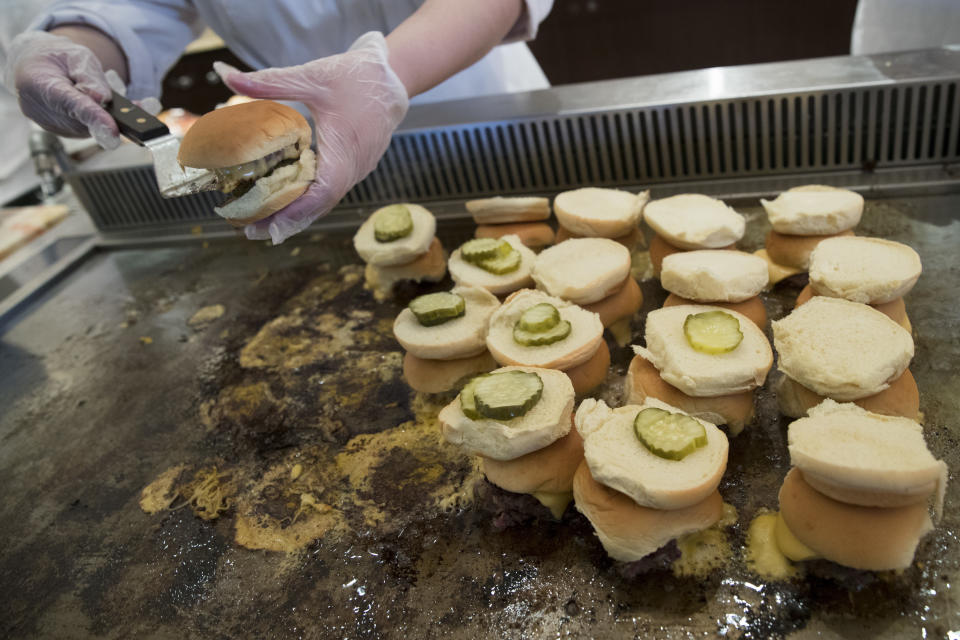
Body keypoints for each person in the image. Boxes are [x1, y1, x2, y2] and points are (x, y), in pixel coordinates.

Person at [3, 0, 553, 244]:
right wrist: (72, 49)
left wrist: (386, 75)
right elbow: (137, 7)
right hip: (314, 152)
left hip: (484, 119)